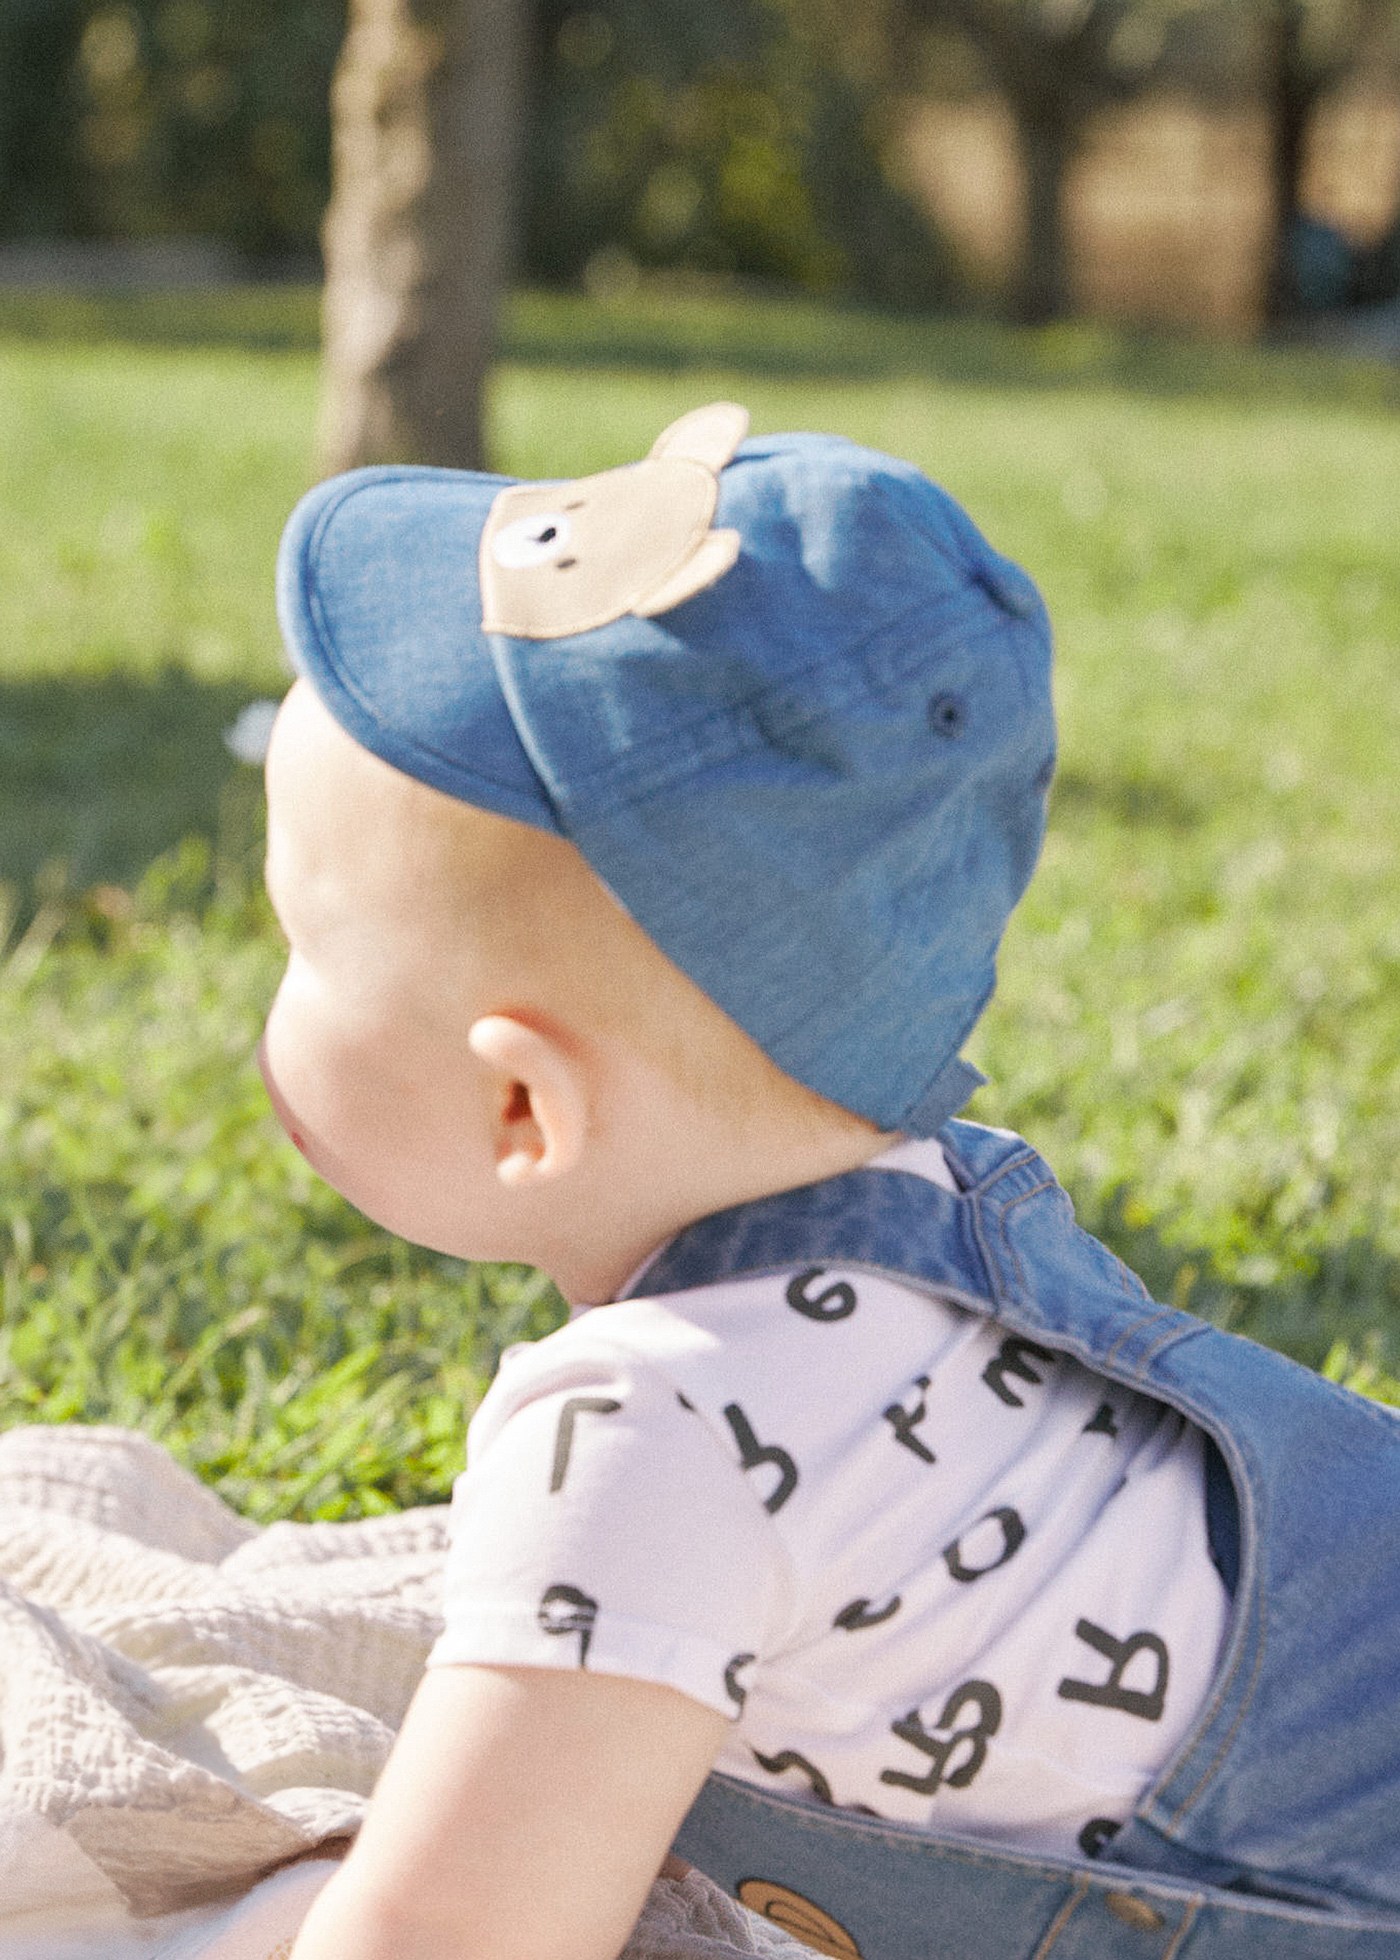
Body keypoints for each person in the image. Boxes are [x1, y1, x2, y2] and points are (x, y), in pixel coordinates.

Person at [262, 404, 1400, 1960]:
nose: (266, 994)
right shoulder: (946, 1200)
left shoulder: (643, 1439)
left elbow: (451, 1937)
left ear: (524, 1108)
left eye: (304, 947)